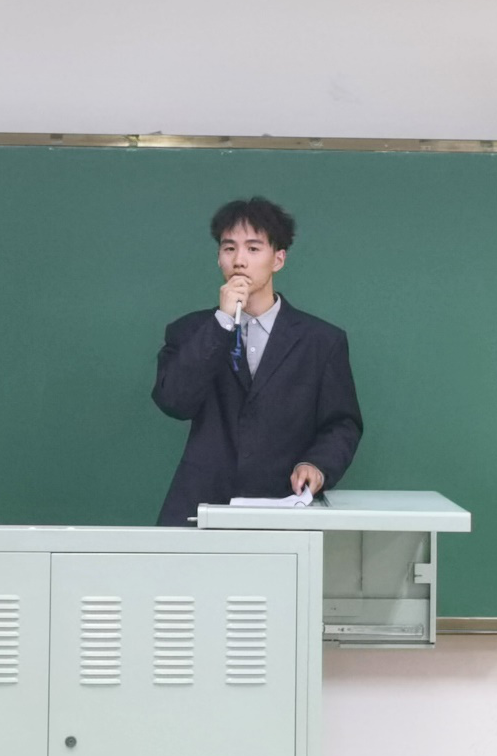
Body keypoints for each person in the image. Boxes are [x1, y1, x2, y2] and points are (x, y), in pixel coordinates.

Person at [152, 197, 363, 526]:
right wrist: (222, 322)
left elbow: (342, 424)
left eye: (253, 249)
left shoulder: (321, 341)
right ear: (219, 258)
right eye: (229, 248)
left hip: (284, 504)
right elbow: (174, 401)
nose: (239, 261)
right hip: (200, 505)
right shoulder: (190, 331)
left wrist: (317, 464)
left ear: (278, 259)